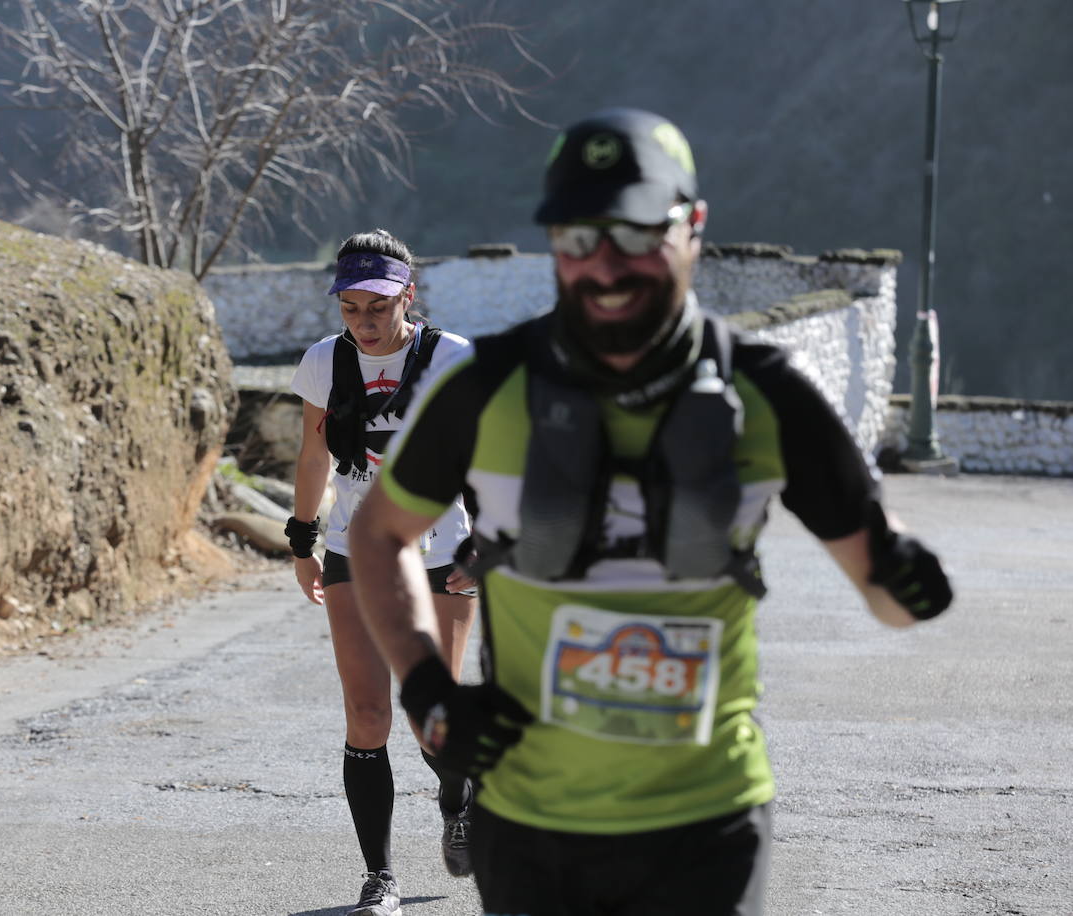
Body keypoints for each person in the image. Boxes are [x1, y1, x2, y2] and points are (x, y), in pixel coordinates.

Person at [347, 108, 954, 916]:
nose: (606, 263)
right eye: (577, 236)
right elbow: (378, 532)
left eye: (637, 231)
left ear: (694, 225)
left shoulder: (767, 395)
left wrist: (908, 578)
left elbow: (881, 582)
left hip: (706, 823)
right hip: (529, 824)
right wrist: (426, 688)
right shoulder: (484, 389)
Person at [285, 228, 479, 916]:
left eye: (378, 307)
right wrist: (302, 537)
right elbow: (313, 458)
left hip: (439, 555)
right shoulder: (323, 363)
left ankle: (460, 800)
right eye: (350, 309)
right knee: (366, 714)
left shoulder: (453, 359)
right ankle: (380, 879)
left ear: (408, 296)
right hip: (353, 552)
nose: (364, 323)